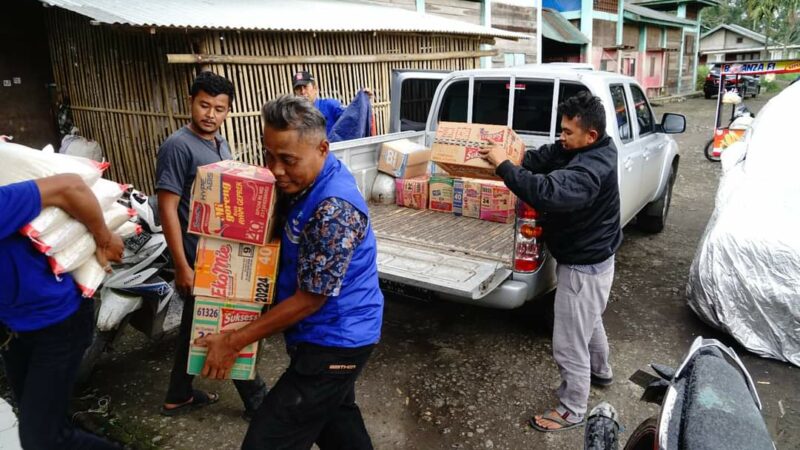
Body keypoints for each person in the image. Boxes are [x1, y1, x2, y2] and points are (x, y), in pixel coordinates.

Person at [196, 95, 384, 449]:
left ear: (323, 148)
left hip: (335, 341)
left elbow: (309, 299)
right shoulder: (307, 181)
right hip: (327, 333)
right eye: (269, 155)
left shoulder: (334, 211)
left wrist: (234, 341)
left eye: (287, 160)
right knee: (338, 426)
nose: (276, 169)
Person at [480, 91, 622, 432]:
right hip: (595, 260)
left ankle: (573, 408)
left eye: (567, 132)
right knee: (590, 320)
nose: (561, 137)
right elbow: (548, 156)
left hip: (583, 265)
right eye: (561, 129)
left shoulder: (591, 168)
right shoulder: (588, 147)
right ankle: (601, 371)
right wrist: (518, 158)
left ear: (590, 134)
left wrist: (504, 167)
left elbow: (548, 192)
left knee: (570, 340)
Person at [155, 71, 267, 418]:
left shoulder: (221, 143)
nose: (210, 115)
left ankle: (178, 395)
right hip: (197, 257)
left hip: (220, 253)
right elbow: (167, 208)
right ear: (191, 102)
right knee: (227, 324)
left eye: (219, 109)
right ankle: (258, 399)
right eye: (204, 105)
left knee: (196, 324)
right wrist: (182, 266)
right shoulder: (178, 146)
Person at [0, 174, 124, 449]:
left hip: (58, 321)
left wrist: (104, 238)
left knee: (40, 438)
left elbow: (71, 186)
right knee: (46, 424)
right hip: (14, 329)